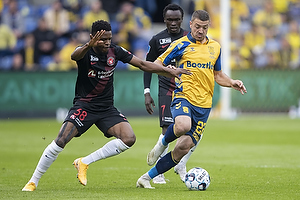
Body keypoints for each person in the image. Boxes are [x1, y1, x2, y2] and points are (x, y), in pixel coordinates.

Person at [21, 19, 191, 192]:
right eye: (103, 39)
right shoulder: (85, 51)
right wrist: (89, 45)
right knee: (61, 140)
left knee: (129, 138)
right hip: (84, 106)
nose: (107, 42)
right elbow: (74, 56)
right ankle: (33, 181)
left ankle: (84, 162)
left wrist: (169, 70)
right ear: (92, 37)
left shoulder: (115, 51)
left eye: (109, 38)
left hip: (106, 108)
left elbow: (141, 64)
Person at [136, 10, 247, 189]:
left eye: (204, 27)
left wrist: (232, 82)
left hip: (204, 105)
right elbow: (155, 64)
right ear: (190, 25)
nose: (201, 31)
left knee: (183, 148)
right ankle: (162, 142)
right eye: (197, 27)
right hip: (184, 96)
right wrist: (169, 70)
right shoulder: (180, 45)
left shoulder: (215, 47)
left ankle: (146, 178)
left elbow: (217, 75)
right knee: (182, 126)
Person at [143, 3, 193, 184]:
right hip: (166, 88)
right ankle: (159, 173)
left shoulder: (190, 37)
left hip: (187, 89)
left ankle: (181, 163)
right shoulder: (157, 40)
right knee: (167, 128)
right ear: (164, 20)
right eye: (170, 19)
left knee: (194, 130)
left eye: (177, 19)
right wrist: (147, 92)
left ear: (182, 19)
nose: (173, 23)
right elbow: (147, 66)